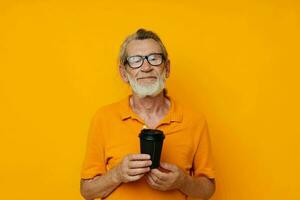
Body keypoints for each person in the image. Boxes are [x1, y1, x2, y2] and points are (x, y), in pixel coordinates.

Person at [80, 28, 216, 200]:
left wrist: (183, 182)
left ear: (166, 68)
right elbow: (87, 191)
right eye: (135, 60)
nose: (146, 67)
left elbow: (208, 190)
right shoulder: (104, 118)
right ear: (124, 73)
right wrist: (117, 174)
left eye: (154, 59)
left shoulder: (195, 121)